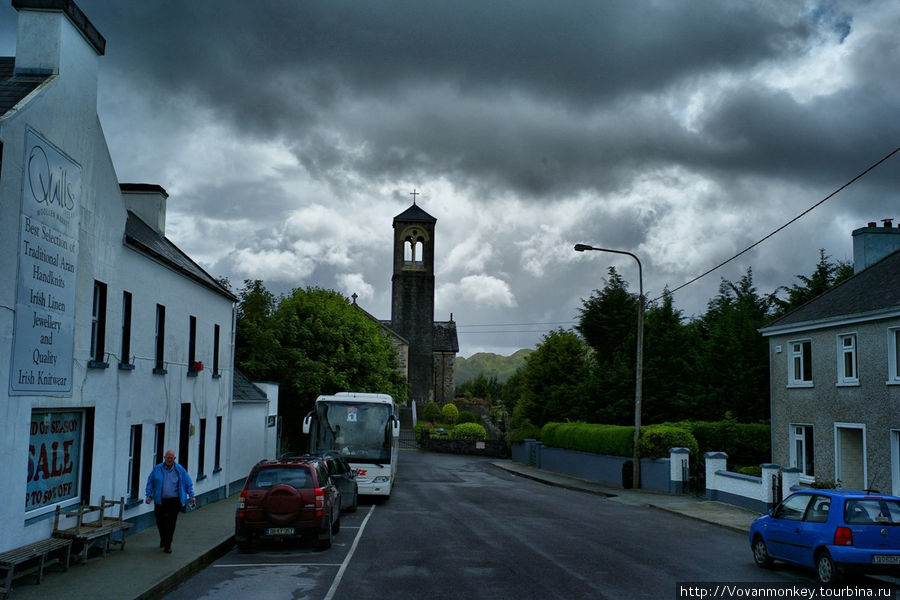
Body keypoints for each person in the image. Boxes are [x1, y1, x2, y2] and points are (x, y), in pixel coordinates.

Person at [145, 450, 195, 553]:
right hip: (160, 500)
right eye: (167, 457)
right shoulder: (157, 469)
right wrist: (148, 495)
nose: (169, 460)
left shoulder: (179, 470)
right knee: (160, 522)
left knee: (171, 523)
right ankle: (163, 538)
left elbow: (187, 482)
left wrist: (191, 495)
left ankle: (168, 545)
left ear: (174, 459)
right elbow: (150, 482)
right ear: (164, 458)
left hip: (174, 500)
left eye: (171, 458)